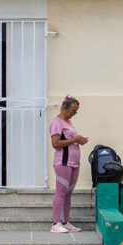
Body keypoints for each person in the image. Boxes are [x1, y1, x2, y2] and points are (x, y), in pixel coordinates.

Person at [49, 95, 89, 233]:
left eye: (76, 111)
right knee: (61, 192)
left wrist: (79, 140)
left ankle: (65, 221)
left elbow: (70, 139)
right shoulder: (57, 122)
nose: (74, 114)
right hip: (63, 162)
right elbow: (55, 143)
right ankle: (55, 223)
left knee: (68, 193)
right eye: (72, 110)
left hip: (74, 163)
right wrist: (74, 140)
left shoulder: (68, 123)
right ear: (64, 107)